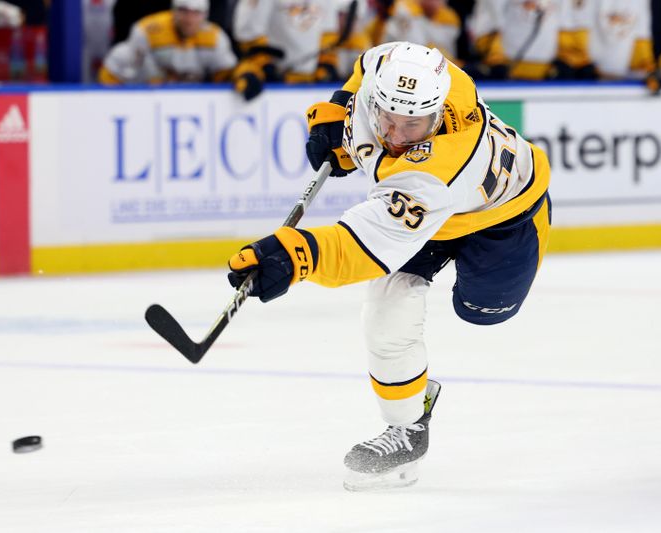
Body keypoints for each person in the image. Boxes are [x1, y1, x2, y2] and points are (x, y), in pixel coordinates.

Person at [227, 41, 551, 491]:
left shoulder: (438, 168)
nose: (397, 135)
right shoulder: (400, 71)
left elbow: (358, 249)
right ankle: (407, 428)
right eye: (388, 119)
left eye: (414, 124)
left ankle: (420, 388)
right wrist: (339, 111)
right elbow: (370, 61)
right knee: (386, 307)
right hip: (427, 219)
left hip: (504, 215)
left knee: (481, 311)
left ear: (438, 113)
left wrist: (293, 255)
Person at [99, 0, 236, 84]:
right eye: (184, 11)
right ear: (173, 11)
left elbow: (227, 75)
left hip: (192, 103)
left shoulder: (215, 37)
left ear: (206, 15)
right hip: (148, 100)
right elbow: (113, 70)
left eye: (196, 13)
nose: (189, 20)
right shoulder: (149, 31)